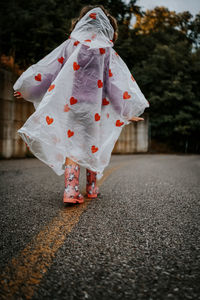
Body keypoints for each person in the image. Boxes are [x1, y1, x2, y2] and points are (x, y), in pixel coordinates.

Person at [13, 5, 150, 204]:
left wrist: (29, 90)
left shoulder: (70, 46)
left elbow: (50, 72)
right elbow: (114, 86)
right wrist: (125, 111)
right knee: (92, 146)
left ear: (81, 23)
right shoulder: (106, 52)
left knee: (73, 148)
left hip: (71, 108)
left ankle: (71, 190)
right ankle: (92, 188)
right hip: (94, 111)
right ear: (108, 29)